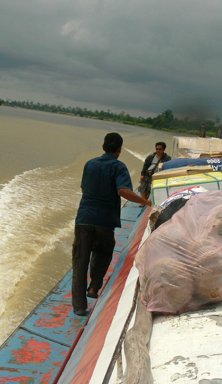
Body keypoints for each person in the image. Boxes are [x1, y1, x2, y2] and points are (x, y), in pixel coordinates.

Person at [72, 133, 152, 316]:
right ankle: (94, 287)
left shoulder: (90, 164)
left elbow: (84, 188)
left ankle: (79, 306)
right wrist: (146, 202)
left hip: (84, 218)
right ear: (119, 149)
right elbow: (123, 190)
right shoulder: (119, 167)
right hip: (105, 221)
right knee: (104, 252)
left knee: (80, 261)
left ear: (103, 146)